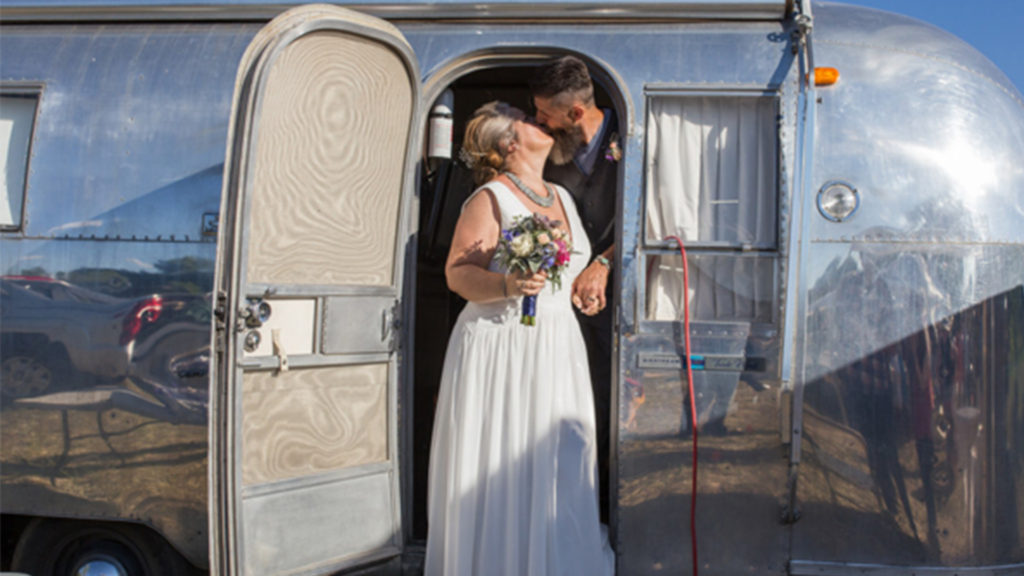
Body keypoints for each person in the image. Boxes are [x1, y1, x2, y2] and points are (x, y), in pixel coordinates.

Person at [425, 101, 614, 576]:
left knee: (559, 457)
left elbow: (563, 273)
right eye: (527, 119)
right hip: (503, 344)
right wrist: (509, 284)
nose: (539, 121)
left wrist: (582, 289)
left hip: (557, 344)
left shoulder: (561, 195)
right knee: (505, 457)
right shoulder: (490, 198)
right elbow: (458, 273)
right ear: (510, 143)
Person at [530, 55, 618, 520]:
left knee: (609, 404)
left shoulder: (635, 135)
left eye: (545, 113)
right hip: (562, 305)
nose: (539, 121)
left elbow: (657, 212)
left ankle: (602, 508)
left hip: (620, 301)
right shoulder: (549, 150)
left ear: (577, 112)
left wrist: (604, 263)